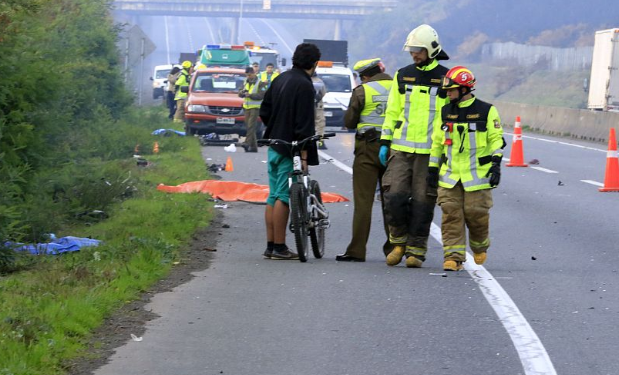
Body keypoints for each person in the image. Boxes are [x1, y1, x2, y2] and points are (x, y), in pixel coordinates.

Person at [379, 24, 450, 268]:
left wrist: (444, 152)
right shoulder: (403, 74)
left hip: (430, 153)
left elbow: (448, 117)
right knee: (394, 196)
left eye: (417, 50)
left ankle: (416, 250)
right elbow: (392, 111)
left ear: (431, 49)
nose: (414, 55)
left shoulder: (445, 78)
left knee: (423, 202)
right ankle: (398, 242)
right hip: (401, 149)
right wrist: (385, 141)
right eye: (411, 51)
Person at [428, 66, 504, 271]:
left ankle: (480, 245)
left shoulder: (486, 110)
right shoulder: (444, 112)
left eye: (452, 89)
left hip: (477, 176)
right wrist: (432, 169)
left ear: (464, 89)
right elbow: (437, 143)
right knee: (450, 213)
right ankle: (453, 257)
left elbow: (496, 139)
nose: (448, 93)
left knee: (475, 214)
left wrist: (496, 164)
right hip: (450, 175)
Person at [259, 43, 321, 260]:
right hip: (290, 148)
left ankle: (269, 245)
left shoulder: (280, 78)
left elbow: (264, 110)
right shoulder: (304, 85)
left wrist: (276, 126)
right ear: (315, 63)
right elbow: (304, 125)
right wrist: (303, 156)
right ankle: (279, 247)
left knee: (273, 195)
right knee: (284, 197)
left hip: (274, 145)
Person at [336, 58, 393, 262]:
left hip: (367, 150)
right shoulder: (399, 89)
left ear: (365, 76)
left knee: (363, 202)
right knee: (391, 201)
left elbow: (349, 121)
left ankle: (357, 250)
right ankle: (394, 250)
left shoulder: (363, 90)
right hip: (394, 151)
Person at [239, 67, 267, 152]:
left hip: (255, 108)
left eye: (249, 75)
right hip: (246, 107)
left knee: (251, 125)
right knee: (249, 127)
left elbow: (261, 95)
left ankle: (247, 143)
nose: (248, 77)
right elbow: (239, 92)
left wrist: (250, 95)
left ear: (254, 73)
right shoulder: (245, 81)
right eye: (247, 75)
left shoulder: (260, 83)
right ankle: (254, 147)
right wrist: (242, 93)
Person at [311, 72, 327, 149]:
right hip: (318, 104)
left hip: (306, 105)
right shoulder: (319, 81)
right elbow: (323, 92)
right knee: (320, 123)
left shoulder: (302, 80)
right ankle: (321, 142)